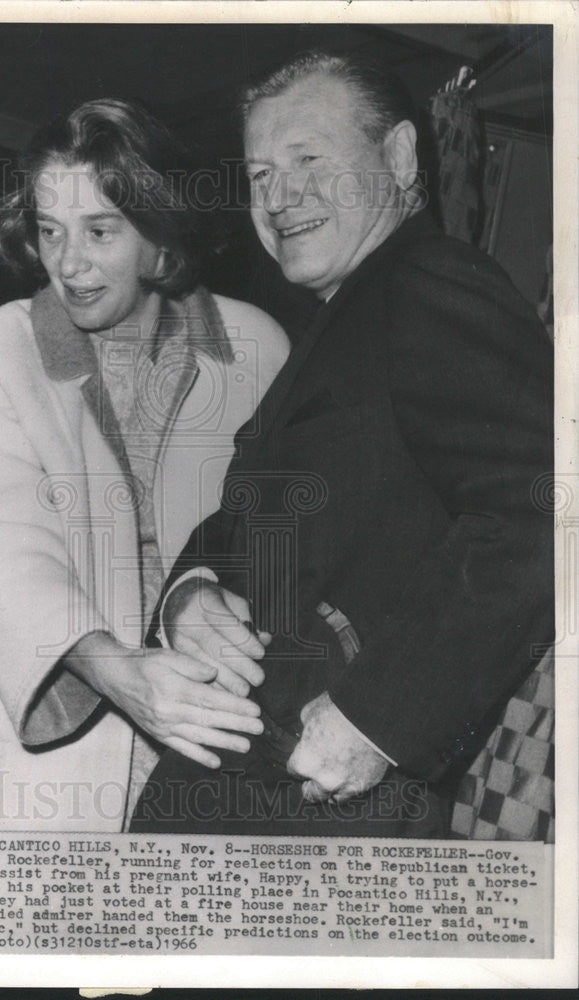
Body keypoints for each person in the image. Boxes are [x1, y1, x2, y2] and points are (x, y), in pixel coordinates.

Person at [131, 50, 553, 837]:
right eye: (259, 176)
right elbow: (238, 528)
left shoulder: (428, 283)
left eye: (307, 160)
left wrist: (378, 719)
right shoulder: (344, 319)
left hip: (325, 801)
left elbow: (543, 506)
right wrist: (188, 595)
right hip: (250, 782)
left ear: (396, 157)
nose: (279, 197)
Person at [0, 99, 289, 831]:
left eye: (99, 231)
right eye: (49, 230)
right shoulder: (0, 348)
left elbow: (278, 534)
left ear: (160, 235)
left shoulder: (256, 346)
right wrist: (118, 669)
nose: (68, 263)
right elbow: (0, 542)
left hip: (201, 736)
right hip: (49, 738)